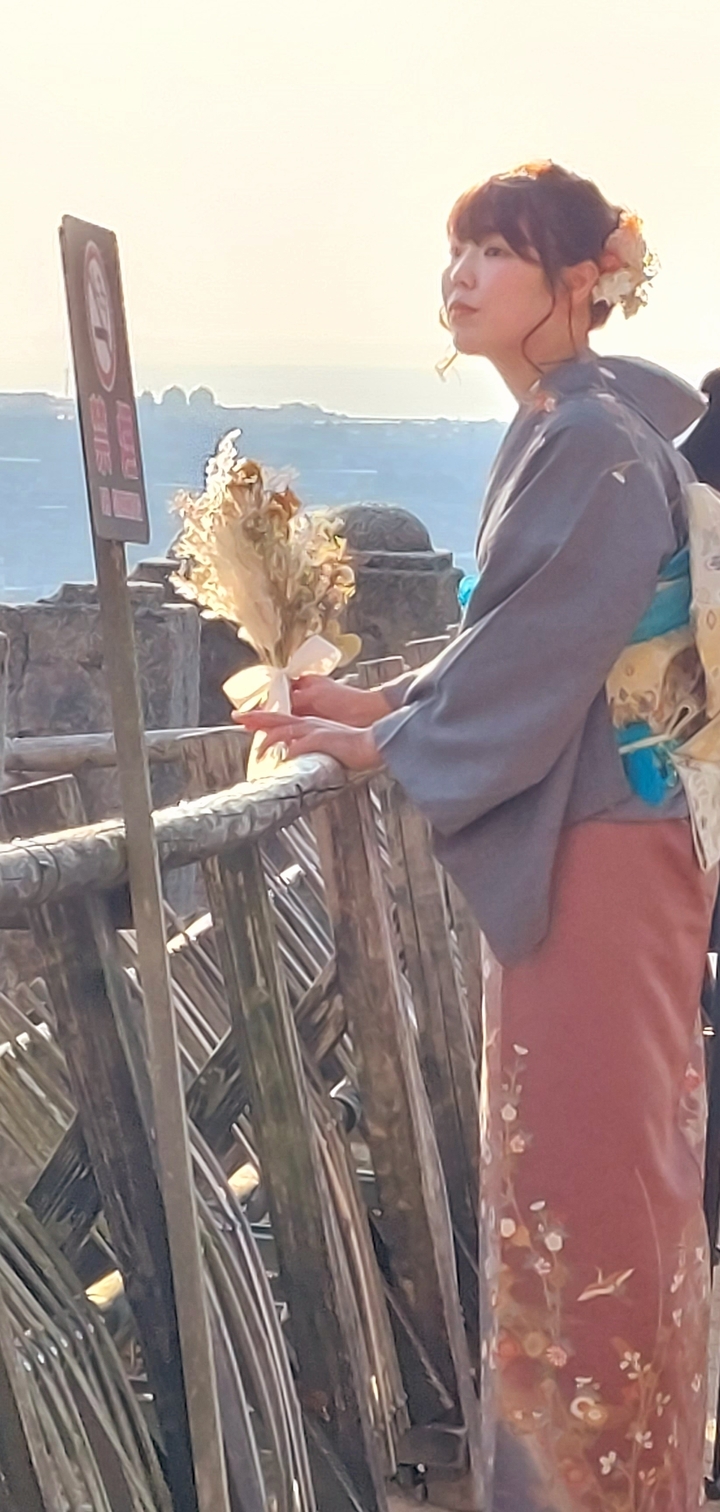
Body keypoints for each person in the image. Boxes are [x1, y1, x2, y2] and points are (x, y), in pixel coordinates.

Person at [236, 162, 717, 1511]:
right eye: (457, 250)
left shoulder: (590, 441)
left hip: (603, 851)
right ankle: (617, 1478)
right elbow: (522, 651)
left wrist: (390, 736)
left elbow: (544, 663)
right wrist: (387, 705)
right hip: (613, 842)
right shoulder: (584, 423)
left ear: (577, 286)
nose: (463, 277)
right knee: (594, 1177)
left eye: (496, 254)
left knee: (591, 1181)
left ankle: (604, 1489)